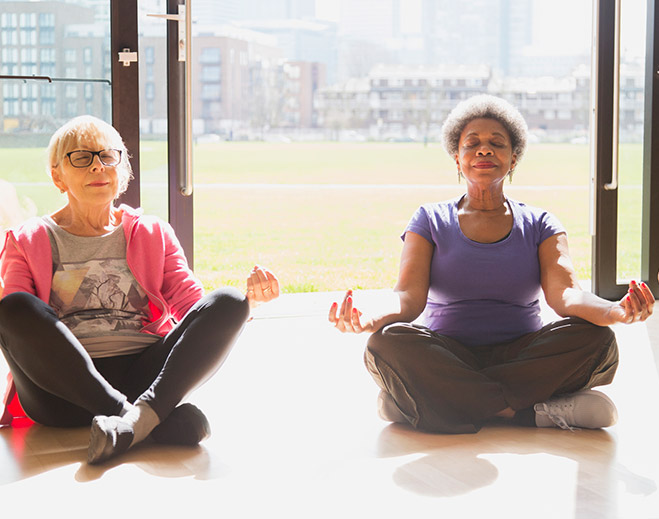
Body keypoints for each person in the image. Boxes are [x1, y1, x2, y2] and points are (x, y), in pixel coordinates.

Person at [329, 94, 655, 434]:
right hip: (447, 354)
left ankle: (426, 401)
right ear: (457, 158)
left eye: (496, 144)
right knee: (386, 342)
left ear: (513, 159)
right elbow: (408, 298)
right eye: (473, 144)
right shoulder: (429, 219)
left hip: (523, 356)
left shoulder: (541, 222)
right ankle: (523, 413)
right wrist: (369, 318)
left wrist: (615, 310)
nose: (484, 150)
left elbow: (568, 295)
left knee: (596, 339)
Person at [0, 115, 280, 464]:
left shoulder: (152, 233)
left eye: (107, 156)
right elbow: (19, 331)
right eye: (81, 157)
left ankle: (134, 422)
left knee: (230, 301)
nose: (98, 167)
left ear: (122, 170)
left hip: (145, 379)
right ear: (58, 176)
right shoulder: (27, 240)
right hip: (62, 393)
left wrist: (249, 303)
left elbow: (192, 304)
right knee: (13, 308)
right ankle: (142, 420)